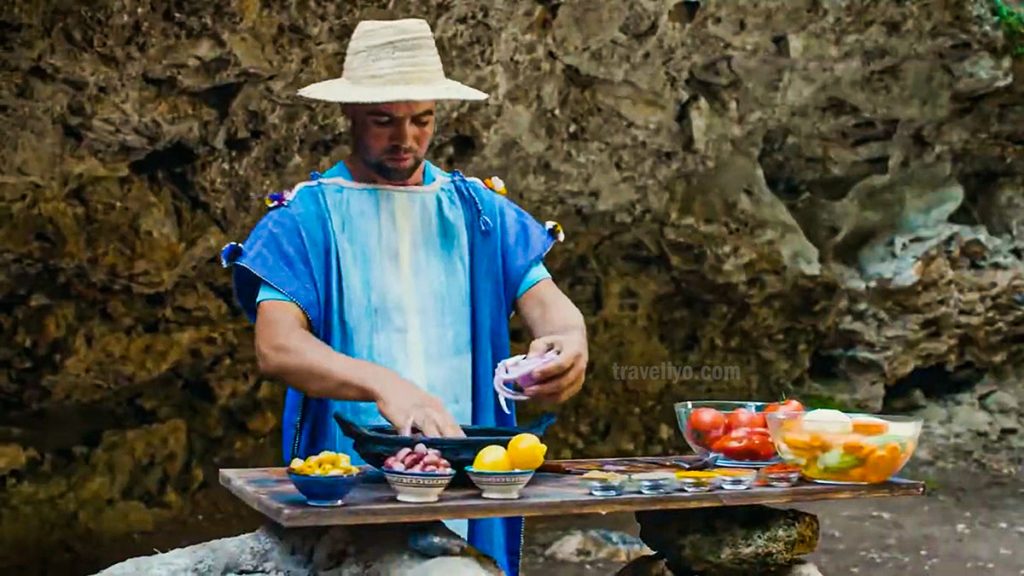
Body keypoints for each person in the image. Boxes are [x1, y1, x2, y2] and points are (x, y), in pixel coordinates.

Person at [219, 18, 588, 576]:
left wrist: (566, 347)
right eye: (383, 121)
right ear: (348, 114)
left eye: (422, 120)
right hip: (352, 482)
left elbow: (551, 309)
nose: (405, 139)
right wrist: (385, 385)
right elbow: (278, 346)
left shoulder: (479, 211)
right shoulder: (305, 218)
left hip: (473, 479)